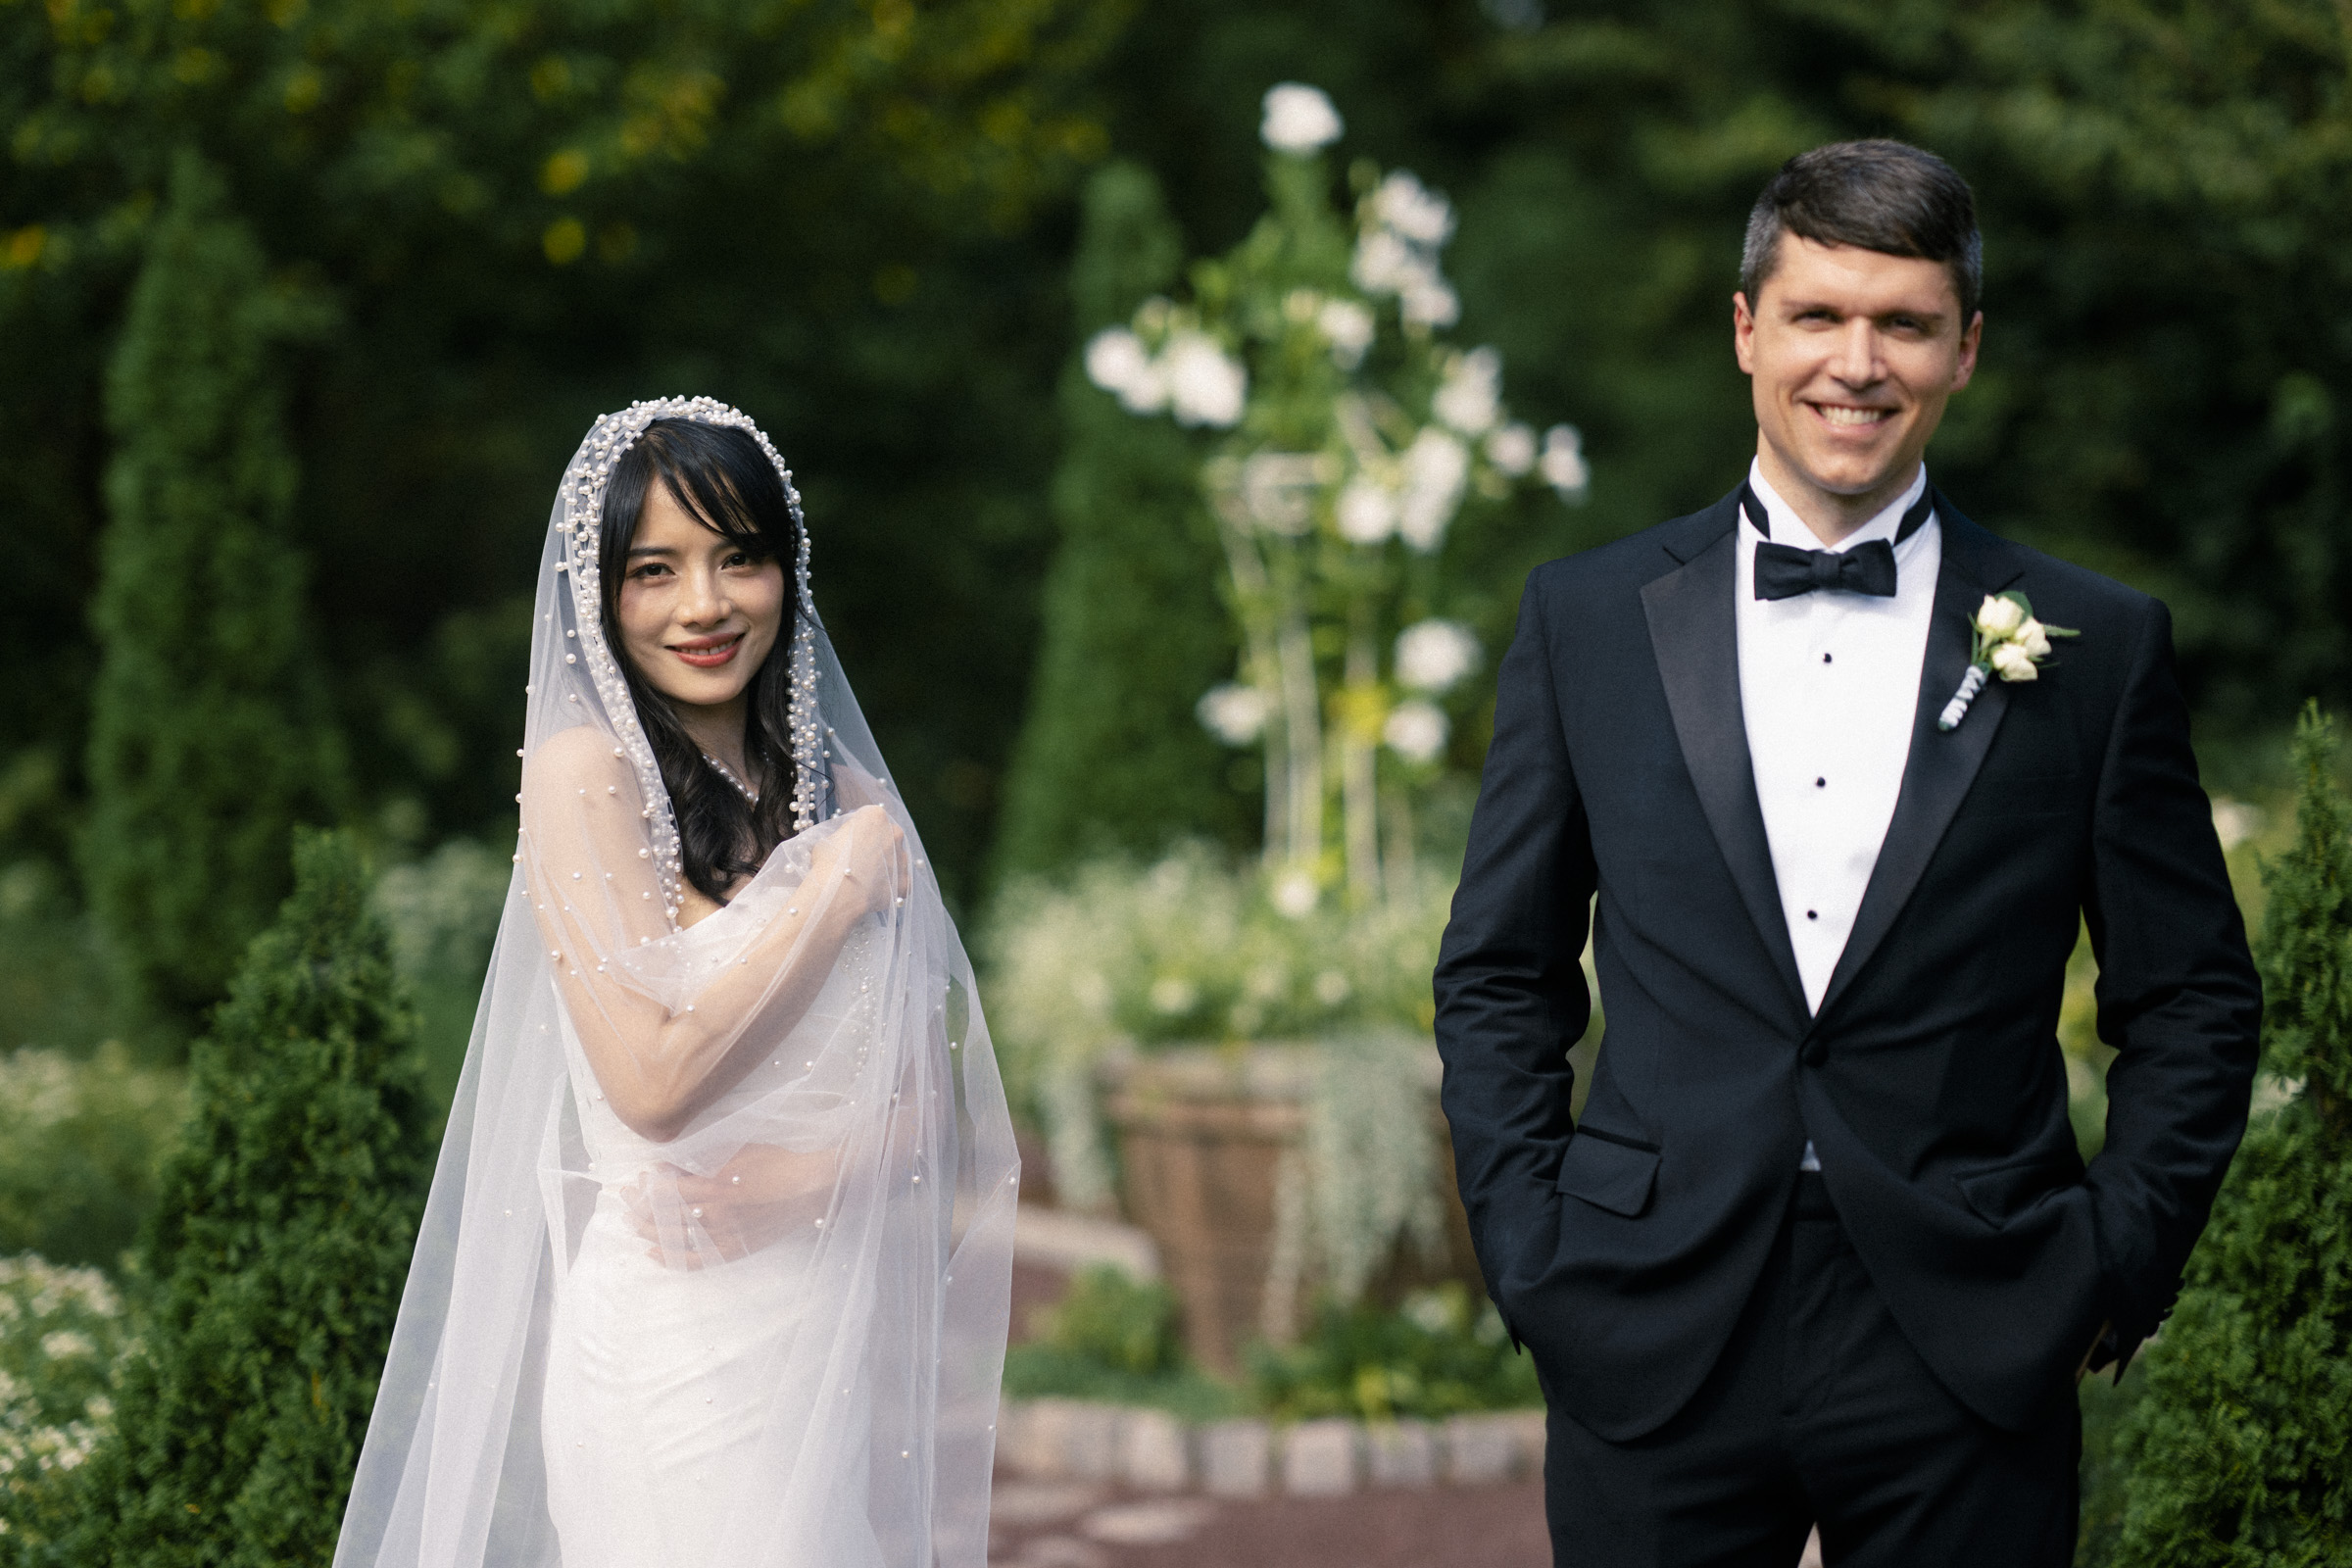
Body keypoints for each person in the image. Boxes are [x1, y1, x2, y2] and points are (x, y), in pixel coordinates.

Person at [1432, 141, 2260, 1567]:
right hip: (1649, 1313)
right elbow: (1501, 971)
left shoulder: (2098, 644)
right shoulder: (1585, 619)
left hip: (1973, 1326)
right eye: (1818, 315)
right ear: (1747, 330)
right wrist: (1533, 1251)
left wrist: (2113, 1260)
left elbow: (2190, 996)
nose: (1857, 364)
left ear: (1966, 351)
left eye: (1906, 324)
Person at [335, 399, 1019, 1568]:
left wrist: (795, 1183)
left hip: (816, 1330)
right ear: (601, 600)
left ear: (783, 576)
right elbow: (653, 1079)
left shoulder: (839, 796)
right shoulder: (586, 776)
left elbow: (923, 1111)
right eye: (654, 570)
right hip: (674, 1353)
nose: (704, 605)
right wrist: (831, 895)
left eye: (737, 558)